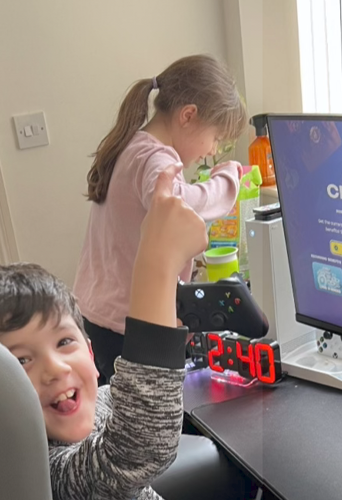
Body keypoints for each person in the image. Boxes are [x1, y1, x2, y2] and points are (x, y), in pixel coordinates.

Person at [0, 167, 318, 500]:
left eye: (64, 343)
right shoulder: (44, 475)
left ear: (89, 349)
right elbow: (137, 445)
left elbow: (122, 398)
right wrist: (156, 262)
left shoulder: (74, 409)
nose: (55, 369)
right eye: (21, 360)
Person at [75, 54, 247, 383]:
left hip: (99, 313)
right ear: (188, 116)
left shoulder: (133, 145)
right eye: (216, 138)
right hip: (126, 325)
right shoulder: (155, 157)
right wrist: (228, 180)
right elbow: (178, 206)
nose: (212, 151)